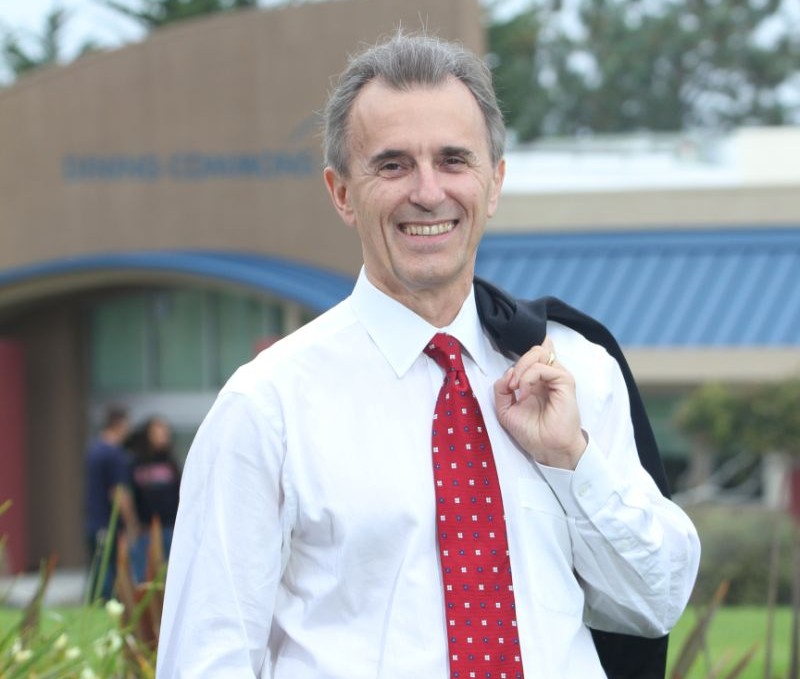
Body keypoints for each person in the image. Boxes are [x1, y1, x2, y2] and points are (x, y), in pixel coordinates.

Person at [157, 33, 700, 678]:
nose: (427, 191)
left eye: (453, 160)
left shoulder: (574, 370)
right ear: (340, 192)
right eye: (391, 165)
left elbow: (655, 602)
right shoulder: (266, 406)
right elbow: (206, 659)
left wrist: (572, 462)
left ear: (494, 183)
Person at [84, 405, 140, 601]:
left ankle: (93, 603)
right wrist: (132, 522)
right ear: (119, 425)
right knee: (109, 571)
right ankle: (103, 603)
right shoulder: (115, 454)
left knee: (97, 569)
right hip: (109, 523)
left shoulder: (94, 450)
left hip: (94, 520)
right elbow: (119, 492)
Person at [125, 415, 181, 583]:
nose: (163, 435)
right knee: (145, 577)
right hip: (145, 529)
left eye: (165, 432)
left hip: (170, 527)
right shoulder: (135, 462)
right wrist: (133, 524)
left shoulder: (171, 462)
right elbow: (129, 495)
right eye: (158, 432)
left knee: (172, 576)